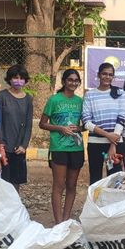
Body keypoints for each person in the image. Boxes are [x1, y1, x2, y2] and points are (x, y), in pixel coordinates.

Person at [39, 69, 84, 224]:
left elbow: (85, 124)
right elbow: (42, 124)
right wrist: (60, 128)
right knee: (59, 185)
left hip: (76, 148)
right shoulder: (54, 100)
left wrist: (80, 128)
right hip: (58, 148)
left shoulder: (80, 101)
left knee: (72, 185)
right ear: (64, 81)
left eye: (76, 80)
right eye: (70, 80)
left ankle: (66, 220)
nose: (73, 83)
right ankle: (58, 223)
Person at [82, 62, 125, 184]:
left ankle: (113, 204)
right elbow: (86, 122)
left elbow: (122, 118)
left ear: (113, 77)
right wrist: (108, 135)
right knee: (95, 179)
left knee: (115, 180)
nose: (107, 77)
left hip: (115, 144)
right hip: (95, 143)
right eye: (104, 74)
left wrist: (113, 144)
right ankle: (96, 203)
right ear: (98, 75)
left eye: (110, 75)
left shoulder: (119, 93)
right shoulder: (90, 95)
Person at [0, 64, 33, 191]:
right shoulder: (1, 96)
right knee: (2, 181)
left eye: (21, 78)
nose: (18, 81)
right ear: (9, 79)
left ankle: (14, 208)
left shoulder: (28, 99)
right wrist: (1, 144)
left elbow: (28, 124)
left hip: (19, 148)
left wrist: (24, 145)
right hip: (4, 147)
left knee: (16, 182)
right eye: (15, 78)